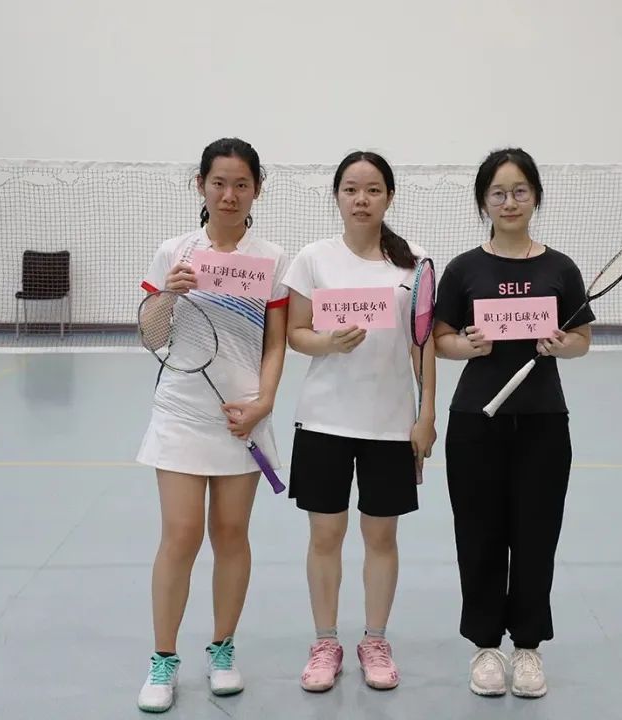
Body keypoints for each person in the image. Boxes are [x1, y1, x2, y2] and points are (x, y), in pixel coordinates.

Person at [134, 137, 290, 713]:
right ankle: (163, 659)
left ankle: (222, 650)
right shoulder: (174, 252)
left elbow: (275, 344)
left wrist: (264, 401)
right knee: (180, 535)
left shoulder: (272, 260)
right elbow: (152, 337)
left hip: (241, 417)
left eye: (241, 184)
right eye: (219, 182)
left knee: (230, 534)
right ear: (200, 185)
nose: (229, 195)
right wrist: (167, 295)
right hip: (181, 411)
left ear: (256, 190)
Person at [432, 147, 593, 699]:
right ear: (484, 201)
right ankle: (484, 646)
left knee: (535, 535)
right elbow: (440, 340)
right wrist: (468, 345)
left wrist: (563, 344)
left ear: (535, 197)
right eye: (498, 193)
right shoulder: (464, 269)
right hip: (475, 421)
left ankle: (527, 647)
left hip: (544, 421)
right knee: (478, 535)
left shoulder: (560, 268)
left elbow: (582, 340)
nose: (509, 202)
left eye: (520, 191)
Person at [282, 150, 437, 693]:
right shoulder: (313, 258)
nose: (361, 199)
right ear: (337, 196)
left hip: (390, 423)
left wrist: (426, 414)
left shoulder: (415, 262)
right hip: (324, 419)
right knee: (325, 535)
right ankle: (325, 642)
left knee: (381, 536)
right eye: (351, 189)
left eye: (373, 190)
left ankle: (375, 640)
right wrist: (328, 342)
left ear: (389, 196)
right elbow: (296, 333)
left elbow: (423, 344)